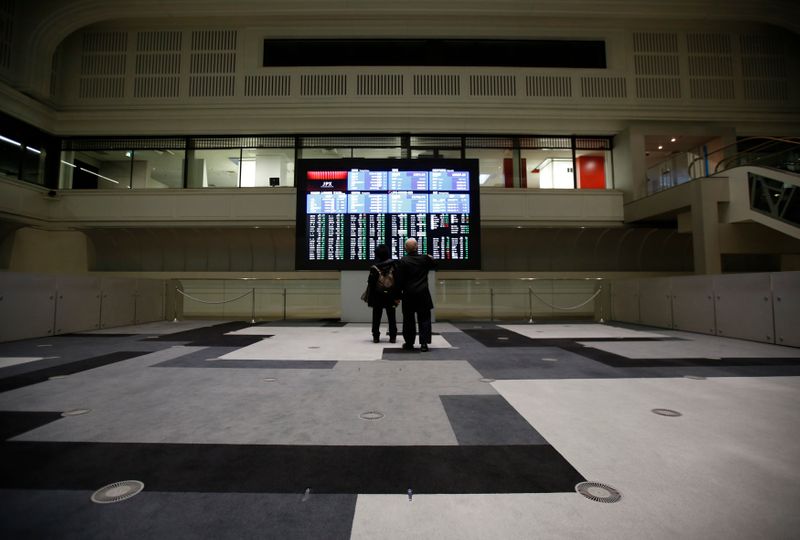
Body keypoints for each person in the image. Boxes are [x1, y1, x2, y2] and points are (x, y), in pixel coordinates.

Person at [395, 238, 436, 352]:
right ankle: (424, 344)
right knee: (424, 319)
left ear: (405, 248)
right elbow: (436, 265)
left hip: (408, 295)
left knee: (408, 320)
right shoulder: (425, 259)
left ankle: (409, 343)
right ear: (417, 247)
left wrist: (397, 296)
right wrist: (431, 258)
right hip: (423, 294)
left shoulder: (403, 260)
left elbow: (399, 281)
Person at [366, 244, 399, 343]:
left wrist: (370, 298)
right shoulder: (394, 265)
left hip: (377, 295)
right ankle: (392, 337)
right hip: (391, 295)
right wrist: (397, 296)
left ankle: (376, 336)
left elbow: (371, 283)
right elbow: (397, 282)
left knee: (376, 316)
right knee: (391, 316)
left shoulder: (374, 268)